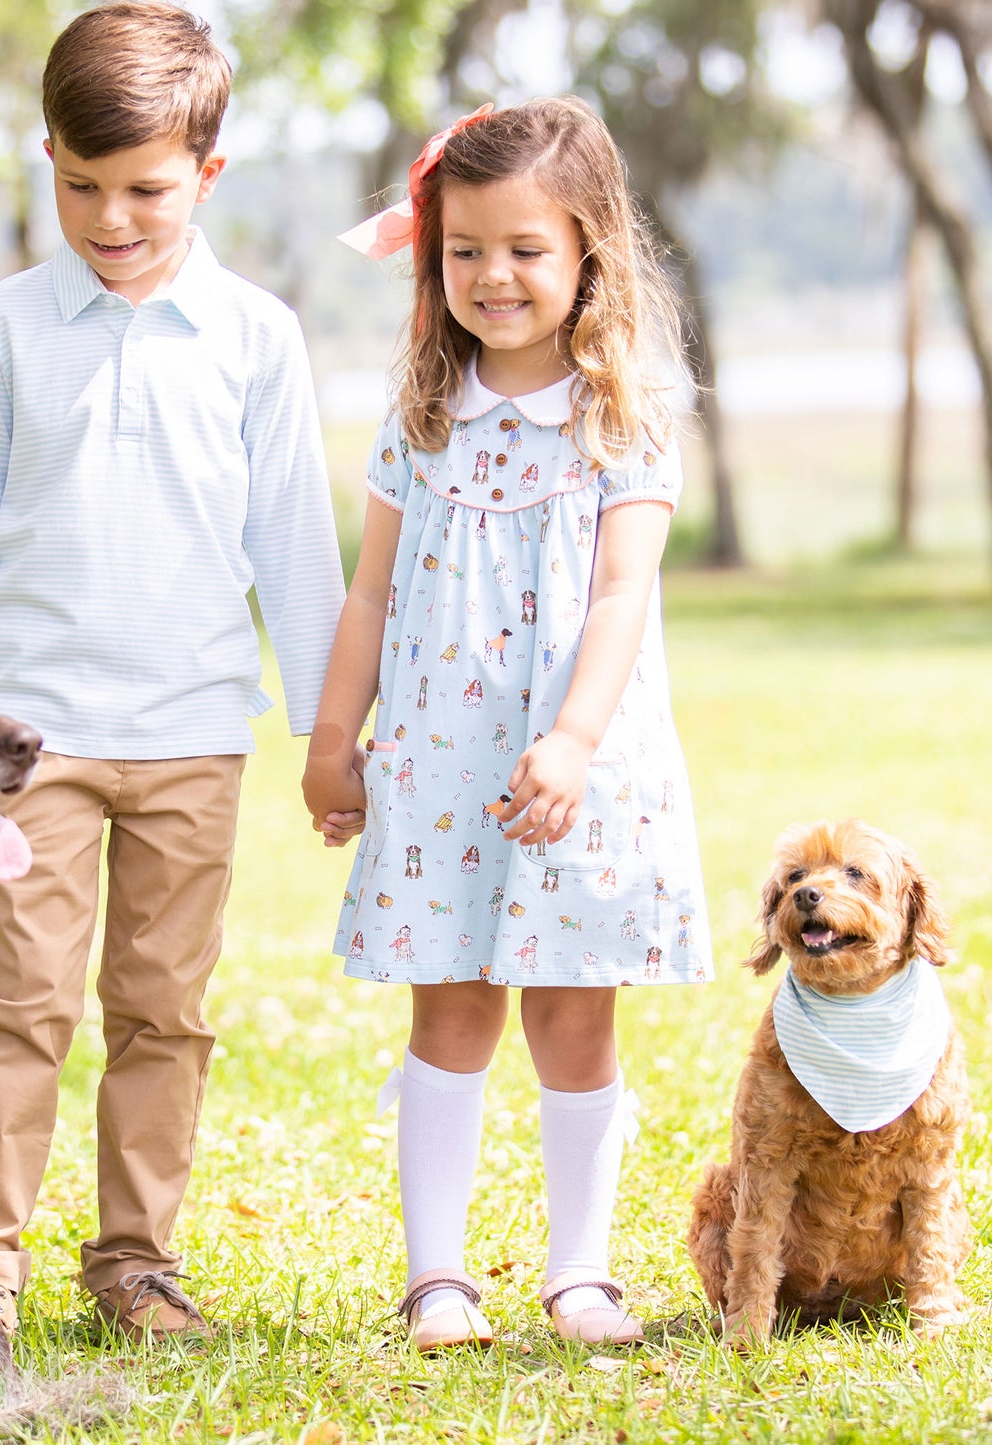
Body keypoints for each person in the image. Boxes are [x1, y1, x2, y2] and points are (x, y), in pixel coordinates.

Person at [0, 0, 344, 1349]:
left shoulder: (254, 337)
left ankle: (137, 1261)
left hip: (193, 736)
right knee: (18, 1006)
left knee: (164, 1010)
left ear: (207, 177)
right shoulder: (3, 327)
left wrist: (328, 737)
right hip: (24, 743)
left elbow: (296, 547)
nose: (111, 217)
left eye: (145, 189)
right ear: (46, 155)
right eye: (81, 184)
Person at [303, 97, 712, 1350]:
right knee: (450, 1008)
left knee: (574, 1015)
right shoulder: (421, 420)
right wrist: (331, 740)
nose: (493, 276)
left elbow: (619, 592)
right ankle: (437, 1279)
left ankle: (578, 1272)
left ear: (589, 250)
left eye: (525, 249)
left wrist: (576, 739)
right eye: (464, 250)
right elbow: (367, 589)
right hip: (438, 767)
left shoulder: (620, 418)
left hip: (571, 764)